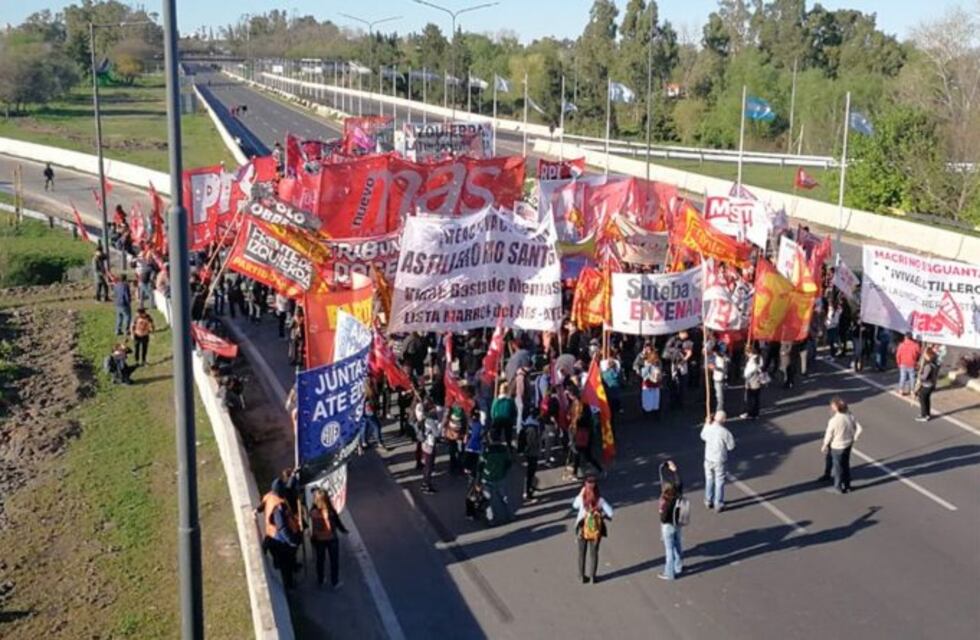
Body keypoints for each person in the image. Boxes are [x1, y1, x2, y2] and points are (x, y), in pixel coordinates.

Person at [257, 479, 301, 588]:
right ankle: (289, 585)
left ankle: (294, 566)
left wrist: (256, 510)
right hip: (280, 539)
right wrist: (291, 541)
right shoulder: (278, 506)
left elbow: (262, 505)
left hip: (273, 535)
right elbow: (282, 528)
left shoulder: (270, 496)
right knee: (285, 565)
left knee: (289, 558)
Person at [571, 475, 613, 584]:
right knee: (594, 553)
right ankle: (593, 576)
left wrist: (581, 493)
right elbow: (611, 512)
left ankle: (581, 576)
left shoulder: (581, 498)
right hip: (595, 530)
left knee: (581, 553)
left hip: (582, 529)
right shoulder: (600, 500)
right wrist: (602, 514)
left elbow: (574, 506)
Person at [821, 397, 863, 493]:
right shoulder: (849, 416)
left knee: (838, 467)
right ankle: (847, 484)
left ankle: (838, 486)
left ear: (836, 408)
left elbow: (829, 434)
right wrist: (854, 437)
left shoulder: (833, 421)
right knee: (845, 464)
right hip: (848, 444)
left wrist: (824, 445)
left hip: (836, 446)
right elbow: (859, 428)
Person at [308, 488, 348, 588]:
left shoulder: (313, 512)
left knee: (320, 561)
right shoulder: (330, 511)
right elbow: (337, 522)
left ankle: (321, 579)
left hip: (318, 540)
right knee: (334, 561)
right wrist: (344, 530)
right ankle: (335, 582)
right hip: (331, 539)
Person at [701, 411, 735, 513]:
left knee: (709, 479)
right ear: (724, 420)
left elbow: (703, 436)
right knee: (719, 481)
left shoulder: (709, 428)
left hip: (708, 458)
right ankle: (718, 503)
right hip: (719, 460)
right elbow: (731, 446)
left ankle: (708, 500)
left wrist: (706, 423)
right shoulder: (725, 432)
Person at [658, 482, 684, 580]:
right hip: (677, 524)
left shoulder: (665, 501)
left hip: (668, 527)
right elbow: (679, 483)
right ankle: (678, 566)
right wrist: (674, 470)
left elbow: (663, 519)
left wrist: (661, 512)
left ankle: (669, 573)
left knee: (669, 550)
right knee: (677, 545)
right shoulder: (678, 497)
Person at [915, 347, 940, 422]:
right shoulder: (934, 365)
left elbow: (924, 377)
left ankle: (924, 415)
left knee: (922, 399)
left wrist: (919, 376)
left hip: (927, 385)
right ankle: (927, 414)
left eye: (925, 354)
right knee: (927, 399)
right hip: (931, 385)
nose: (924, 356)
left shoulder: (928, 366)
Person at [522, 409, 542, 500]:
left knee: (532, 472)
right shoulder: (532, 428)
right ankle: (528, 492)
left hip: (530, 452)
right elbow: (532, 442)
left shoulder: (529, 424)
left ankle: (531, 488)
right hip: (532, 452)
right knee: (530, 472)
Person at [741, 347, 764, 419]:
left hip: (752, 380)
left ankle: (751, 413)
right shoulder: (759, 358)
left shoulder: (753, 360)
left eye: (747, 353)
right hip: (757, 380)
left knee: (750, 398)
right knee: (756, 398)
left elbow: (749, 371)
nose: (747, 355)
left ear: (750, 353)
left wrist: (745, 375)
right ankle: (756, 413)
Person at [640, 351, 663, 415]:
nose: (656, 360)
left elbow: (660, 376)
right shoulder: (647, 366)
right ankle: (647, 414)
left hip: (655, 386)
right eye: (655, 358)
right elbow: (644, 376)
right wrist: (651, 378)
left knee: (655, 402)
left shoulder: (658, 365)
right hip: (648, 386)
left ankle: (655, 414)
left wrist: (659, 379)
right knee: (648, 402)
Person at [708, 345, 728, 414]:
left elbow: (723, 369)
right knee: (718, 395)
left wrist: (714, 367)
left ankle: (719, 411)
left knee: (719, 396)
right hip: (717, 378)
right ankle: (718, 409)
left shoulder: (721, 358)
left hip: (719, 378)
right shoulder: (717, 358)